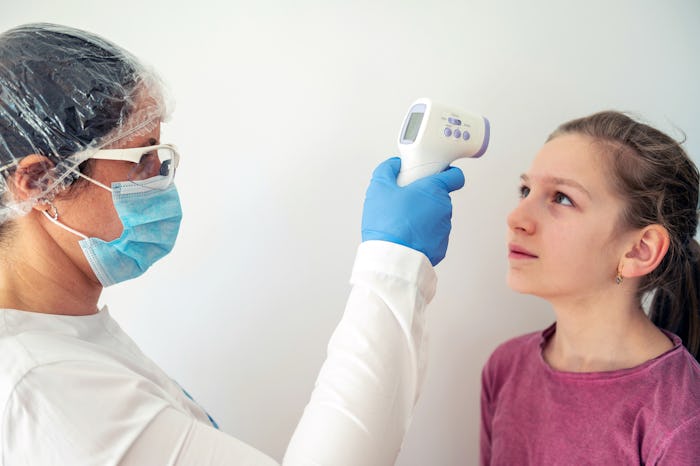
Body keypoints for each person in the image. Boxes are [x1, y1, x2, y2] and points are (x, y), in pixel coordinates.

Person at [0, 23, 466, 465]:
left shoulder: (64, 338)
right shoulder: (39, 383)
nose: (160, 180)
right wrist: (392, 265)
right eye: (141, 158)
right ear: (41, 181)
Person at [480, 111, 700, 465]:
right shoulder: (505, 368)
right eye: (525, 190)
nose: (516, 217)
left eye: (562, 198)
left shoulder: (682, 422)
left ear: (638, 250)